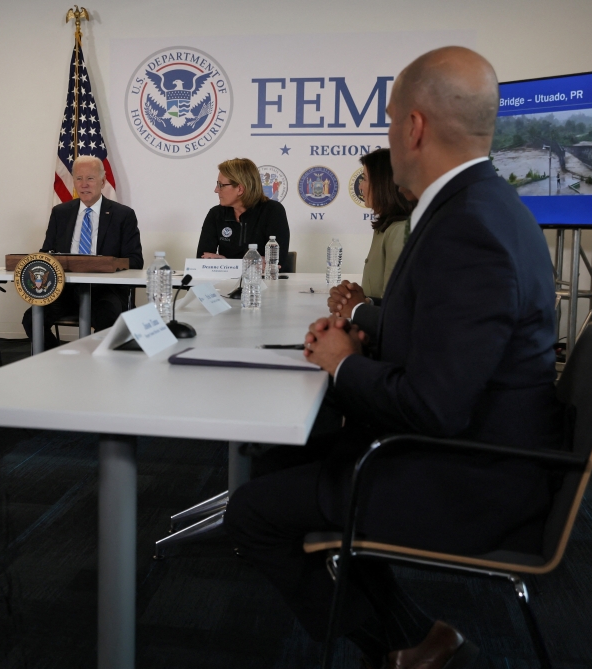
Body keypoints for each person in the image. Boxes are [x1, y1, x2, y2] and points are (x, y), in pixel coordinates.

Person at [225, 46, 564, 669]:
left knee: (249, 515)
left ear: (413, 127)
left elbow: (434, 405)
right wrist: (362, 337)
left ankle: (394, 650)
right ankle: (420, 640)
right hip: (472, 451)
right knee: (276, 462)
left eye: (387, 121)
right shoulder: (480, 208)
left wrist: (342, 365)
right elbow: (441, 336)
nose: (387, 135)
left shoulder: (469, 228)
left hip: (470, 478)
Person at [22, 156, 143, 348]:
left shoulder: (123, 215)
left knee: (108, 317)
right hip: (65, 291)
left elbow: (135, 260)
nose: (84, 185)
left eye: (90, 179)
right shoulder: (60, 213)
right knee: (31, 319)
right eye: (79, 178)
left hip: (105, 291)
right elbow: (46, 254)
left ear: (103, 182)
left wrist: (106, 264)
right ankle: (58, 360)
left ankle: (102, 369)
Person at [328, 149, 415, 314]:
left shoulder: (399, 232)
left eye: (365, 179)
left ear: (384, 184)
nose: (360, 186)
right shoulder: (386, 228)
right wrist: (360, 301)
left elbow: (397, 309)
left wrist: (356, 310)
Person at [196, 158, 289, 260]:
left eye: (221, 185)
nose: (216, 190)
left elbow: (276, 262)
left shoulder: (272, 210)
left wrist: (224, 263)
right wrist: (250, 263)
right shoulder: (216, 213)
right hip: (227, 277)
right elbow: (203, 258)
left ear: (240, 189)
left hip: (260, 277)